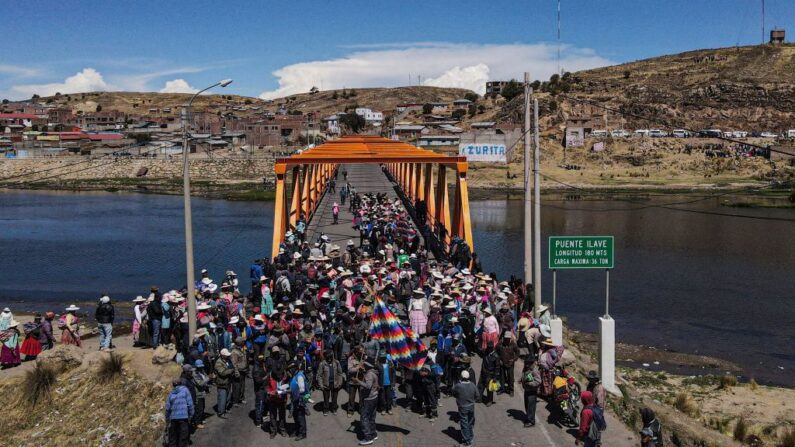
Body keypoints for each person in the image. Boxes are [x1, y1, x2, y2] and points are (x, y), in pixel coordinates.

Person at [355, 360, 379, 445]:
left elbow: (368, 386)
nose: (363, 366)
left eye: (364, 365)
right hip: (374, 397)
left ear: (368, 366)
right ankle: (373, 433)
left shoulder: (369, 374)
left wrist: (358, 381)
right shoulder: (374, 372)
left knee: (364, 418)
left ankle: (368, 437)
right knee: (371, 417)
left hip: (369, 399)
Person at [452, 370, 479, 447]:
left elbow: (453, 393)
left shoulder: (458, 386)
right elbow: (477, 396)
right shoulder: (473, 385)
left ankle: (467, 442)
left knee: (464, 424)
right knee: (470, 422)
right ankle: (470, 437)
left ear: (461, 377)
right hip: (471, 406)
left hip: (462, 407)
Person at [165, 378, 194, 447]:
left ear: (173, 385)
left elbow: (167, 408)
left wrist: (167, 419)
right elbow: (190, 404)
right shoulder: (185, 390)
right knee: (183, 436)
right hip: (183, 417)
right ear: (181, 383)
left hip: (173, 418)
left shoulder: (170, 393)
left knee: (173, 436)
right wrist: (191, 415)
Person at [317, 349, 343, 415]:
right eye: (328, 357)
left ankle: (334, 409)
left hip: (335, 383)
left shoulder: (337, 363)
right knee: (326, 398)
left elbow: (340, 373)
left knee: (334, 398)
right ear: (326, 357)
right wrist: (321, 385)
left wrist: (340, 383)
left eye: (331, 357)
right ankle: (326, 409)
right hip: (326, 384)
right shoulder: (322, 364)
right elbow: (319, 375)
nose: (329, 359)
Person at [288, 361, 309, 441]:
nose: (291, 369)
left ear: (296, 368)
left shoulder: (299, 376)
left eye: (292, 368)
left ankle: (303, 433)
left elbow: (302, 389)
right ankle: (297, 431)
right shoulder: (294, 375)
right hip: (295, 399)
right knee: (295, 415)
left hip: (300, 400)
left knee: (300, 417)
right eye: (290, 368)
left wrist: (290, 391)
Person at [213, 348, 235, 418]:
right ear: (222, 355)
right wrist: (231, 370)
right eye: (226, 355)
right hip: (222, 383)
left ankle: (225, 409)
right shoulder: (218, 363)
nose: (228, 356)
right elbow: (222, 373)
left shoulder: (227, 360)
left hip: (228, 382)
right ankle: (221, 412)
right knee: (222, 398)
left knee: (228, 398)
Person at [520, 356, 541, 427]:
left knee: (531, 407)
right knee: (527, 405)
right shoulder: (526, 368)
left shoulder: (534, 370)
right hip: (527, 389)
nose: (526, 364)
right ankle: (528, 418)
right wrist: (521, 379)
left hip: (532, 391)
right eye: (526, 363)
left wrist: (530, 383)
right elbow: (524, 375)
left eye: (527, 363)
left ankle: (531, 421)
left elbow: (538, 381)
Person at [192, 359, 210, 429]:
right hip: (198, 393)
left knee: (202, 406)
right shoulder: (194, 373)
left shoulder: (201, 371)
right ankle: (197, 422)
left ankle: (200, 419)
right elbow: (200, 383)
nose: (201, 368)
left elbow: (204, 378)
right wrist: (209, 378)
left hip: (202, 392)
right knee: (198, 408)